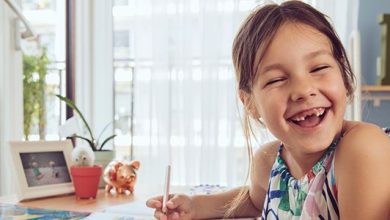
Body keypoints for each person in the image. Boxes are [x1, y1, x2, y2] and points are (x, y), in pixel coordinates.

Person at [146, 1, 390, 219]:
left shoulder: (363, 148)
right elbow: (255, 201)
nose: (304, 90)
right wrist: (196, 206)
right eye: (275, 80)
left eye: (318, 68)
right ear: (250, 104)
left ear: (344, 76)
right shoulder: (270, 161)